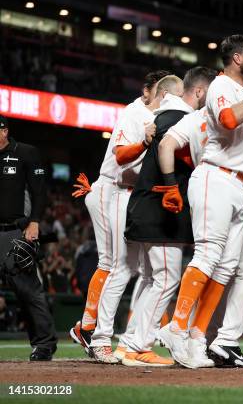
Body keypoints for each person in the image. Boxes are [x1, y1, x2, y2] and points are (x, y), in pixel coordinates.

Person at [157, 35, 243, 368]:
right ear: (237, 59)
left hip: (240, 185)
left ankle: (197, 336)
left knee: (227, 265)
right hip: (215, 177)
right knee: (208, 254)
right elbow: (229, 120)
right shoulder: (219, 87)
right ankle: (176, 326)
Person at [69, 71, 170, 358]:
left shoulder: (160, 115)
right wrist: (146, 143)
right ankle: (92, 331)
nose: (162, 96)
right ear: (147, 90)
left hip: (127, 193)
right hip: (112, 189)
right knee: (115, 264)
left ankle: (88, 328)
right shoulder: (134, 112)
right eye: (158, 90)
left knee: (124, 265)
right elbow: (121, 155)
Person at [120, 68, 216, 367]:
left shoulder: (165, 117)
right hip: (160, 209)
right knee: (165, 279)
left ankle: (129, 342)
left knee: (154, 280)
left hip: (149, 207)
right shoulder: (178, 118)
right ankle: (138, 345)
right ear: (199, 93)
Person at [0, 114, 58, 361]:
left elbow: (39, 192)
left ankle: (44, 344)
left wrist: (34, 222)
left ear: (4, 130)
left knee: (28, 291)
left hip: (16, 231)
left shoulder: (25, 152)